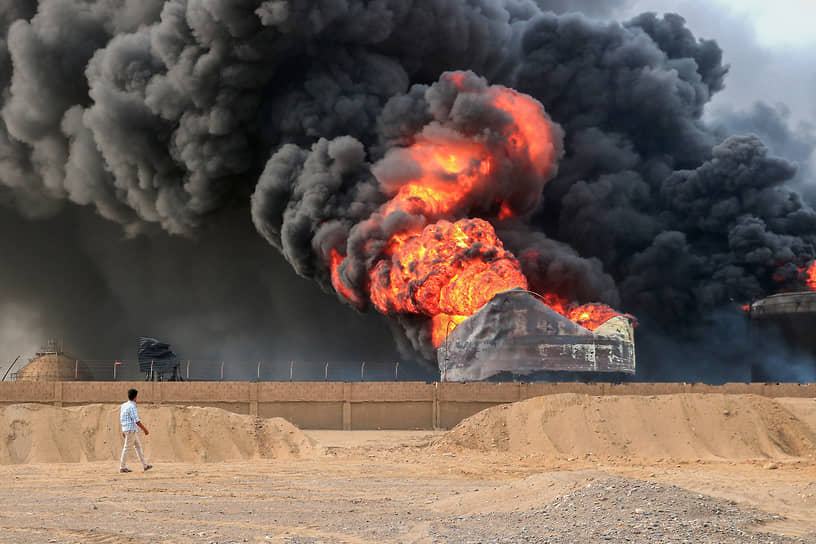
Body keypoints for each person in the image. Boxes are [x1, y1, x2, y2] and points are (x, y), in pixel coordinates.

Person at [119, 388, 152, 473]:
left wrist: (123, 430)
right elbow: (136, 420)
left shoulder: (123, 405)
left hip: (128, 429)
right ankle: (122, 467)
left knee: (138, 447)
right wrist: (145, 429)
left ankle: (145, 465)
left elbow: (122, 418)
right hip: (131, 430)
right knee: (127, 448)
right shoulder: (132, 406)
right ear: (135, 397)